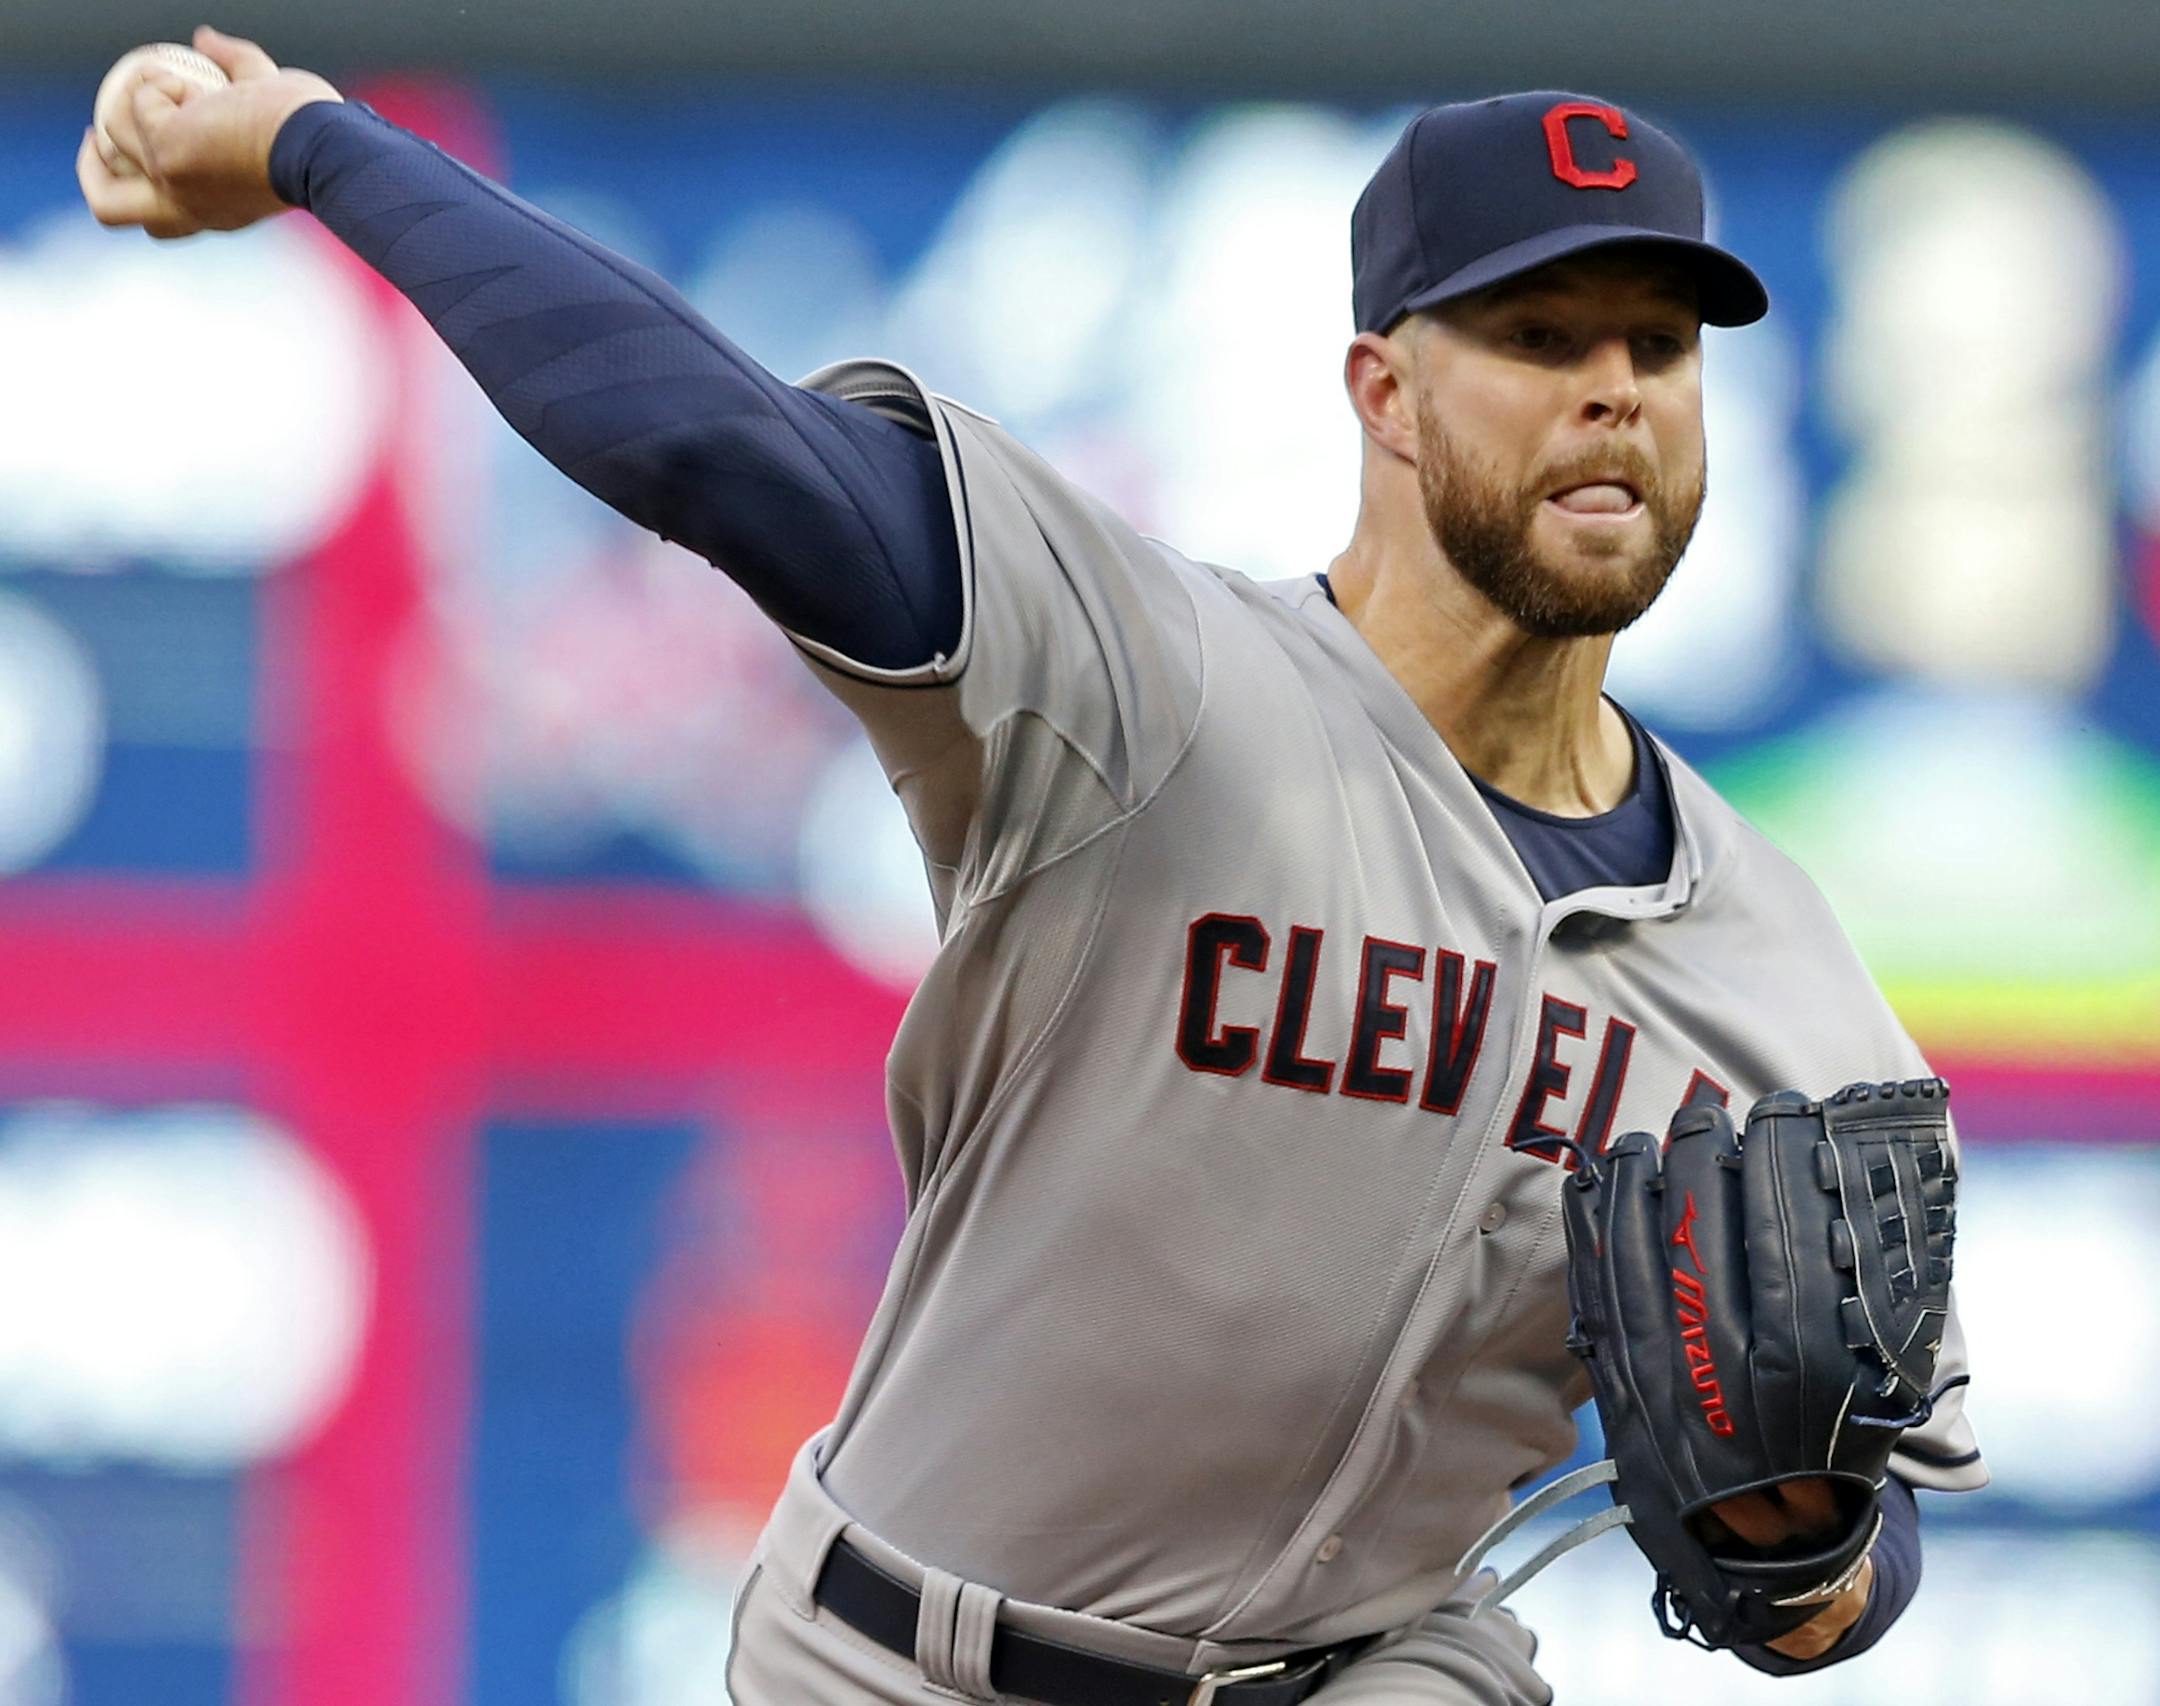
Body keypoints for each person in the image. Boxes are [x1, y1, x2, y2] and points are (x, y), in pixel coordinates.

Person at [80, 31, 1986, 1705]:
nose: (1615, 392)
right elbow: (713, 444)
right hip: (902, 1655)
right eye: (1539, 335)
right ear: (1385, 393)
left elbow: (1866, 1538)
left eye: (1661, 345)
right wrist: (324, 144)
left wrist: (1809, 1551)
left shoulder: (1771, 969)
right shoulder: (1149, 678)